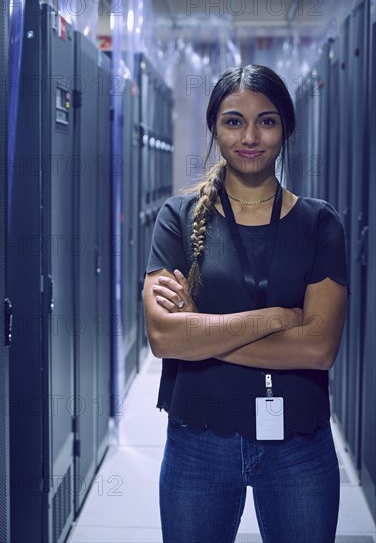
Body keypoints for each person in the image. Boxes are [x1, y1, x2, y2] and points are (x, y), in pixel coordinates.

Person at [143, 65, 349, 543]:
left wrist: (200, 334)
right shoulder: (177, 217)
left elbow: (318, 348)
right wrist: (276, 319)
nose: (250, 136)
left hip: (297, 443)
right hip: (199, 440)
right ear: (215, 128)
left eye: (267, 121)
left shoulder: (321, 224)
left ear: (286, 128)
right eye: (234, 121)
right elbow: (163, 338)